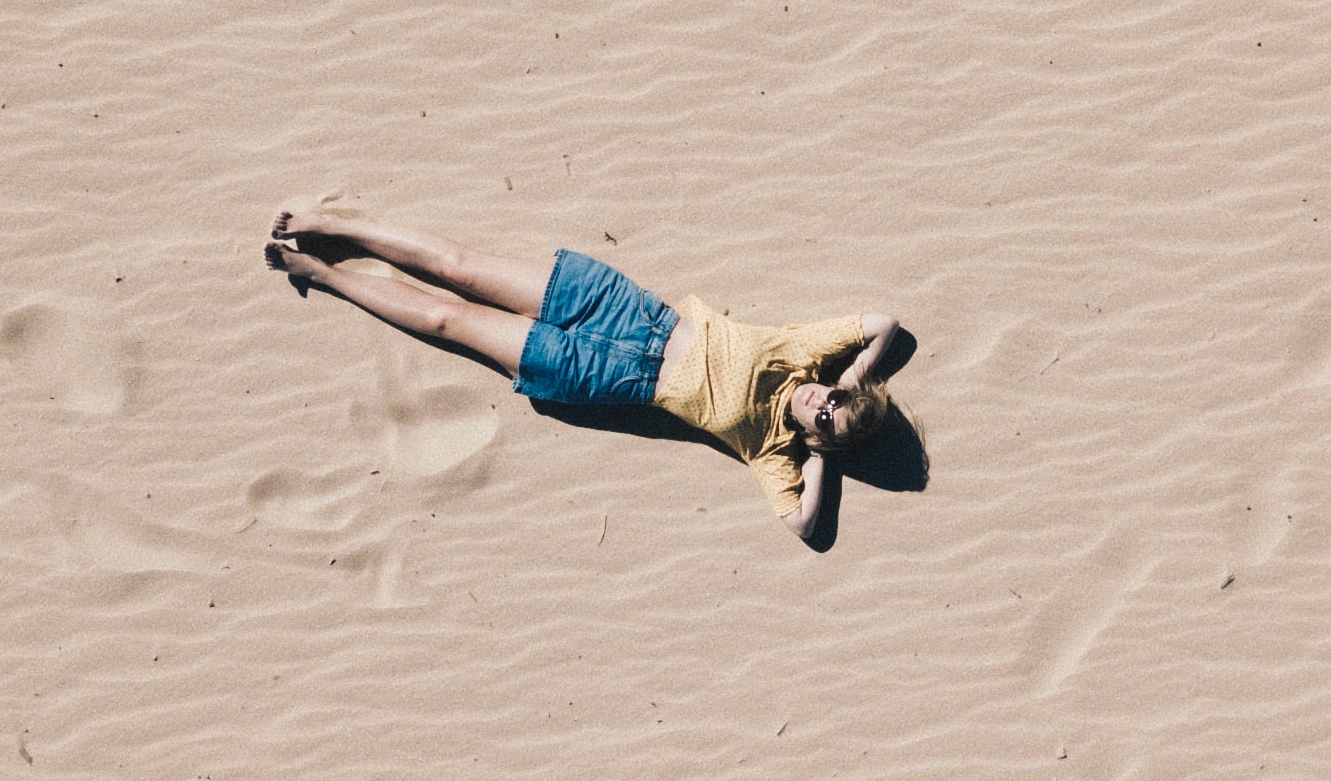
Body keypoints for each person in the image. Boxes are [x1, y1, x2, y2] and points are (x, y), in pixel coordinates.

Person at [264, 201, 907, 546]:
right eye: (836, 397)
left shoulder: (771, 450)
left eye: (826, 418)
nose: (823, 401)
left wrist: (824, 453)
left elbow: (803, 525)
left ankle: (327, 277)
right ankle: (335, 224)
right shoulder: (802, 352)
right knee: (460, 266)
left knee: (447, 321)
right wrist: (858, 379)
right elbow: (884, 323)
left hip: (600, 374)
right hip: (624, 310)